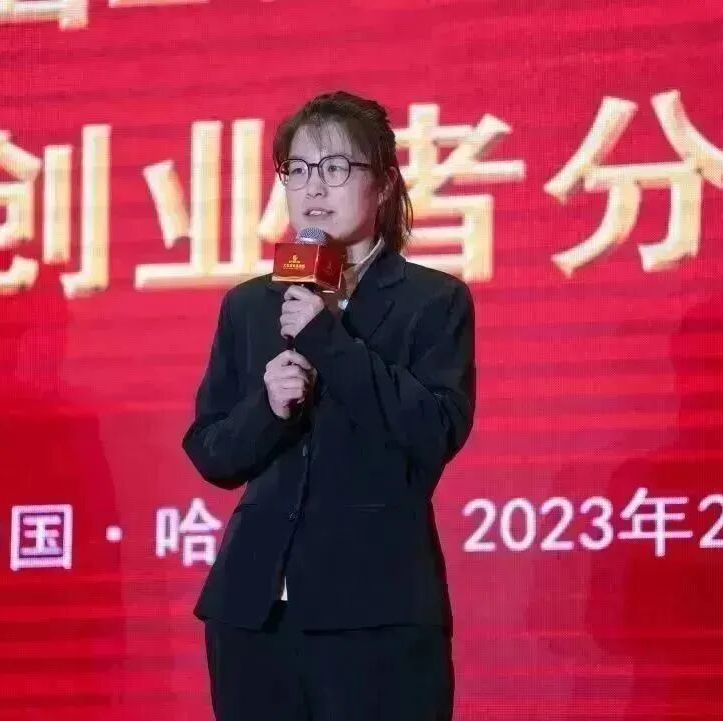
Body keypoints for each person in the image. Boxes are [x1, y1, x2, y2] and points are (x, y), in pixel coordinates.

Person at [181, 90, 476, 721]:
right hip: (254, 615)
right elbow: (211, 451)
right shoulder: (251, 304)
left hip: (377, 616)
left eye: (337, 167)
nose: (314, 186)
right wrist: (268, 407)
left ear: (384, 184)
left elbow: (435, 430)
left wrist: (328, 340)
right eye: (298, 169)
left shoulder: (433, 301)